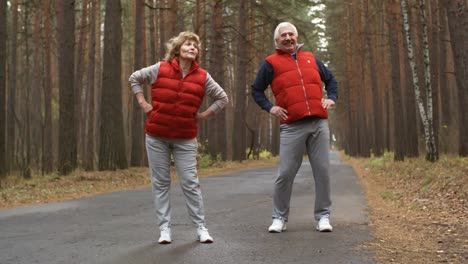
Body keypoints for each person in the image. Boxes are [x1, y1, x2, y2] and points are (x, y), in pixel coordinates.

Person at [129, 31, 228, 244]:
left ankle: (201, 228)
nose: (192, 47)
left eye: (196, 45)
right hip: (156, 137)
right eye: (188, 44)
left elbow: (222, 97)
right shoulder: (160, 68)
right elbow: (135, 78)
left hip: (185, 139)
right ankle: (165, 229)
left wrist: (203, 115)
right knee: (161, 182)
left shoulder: (203, 76)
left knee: (190, 183)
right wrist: (143, 103)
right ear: (178, 48)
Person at [251, 22, 338, 233]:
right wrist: (270, 108)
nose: (288, 38)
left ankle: (323, 217)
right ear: (277, 41)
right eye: (283, 35)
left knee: (323, 171)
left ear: (296, 37)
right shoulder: (270, 63)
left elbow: (331, 80)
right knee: (286, 173)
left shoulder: (311, 58)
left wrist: (331, 98)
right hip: (292, 126)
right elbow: (256, 90)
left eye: (291, 34)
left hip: (318, 123)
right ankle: (279, 217)